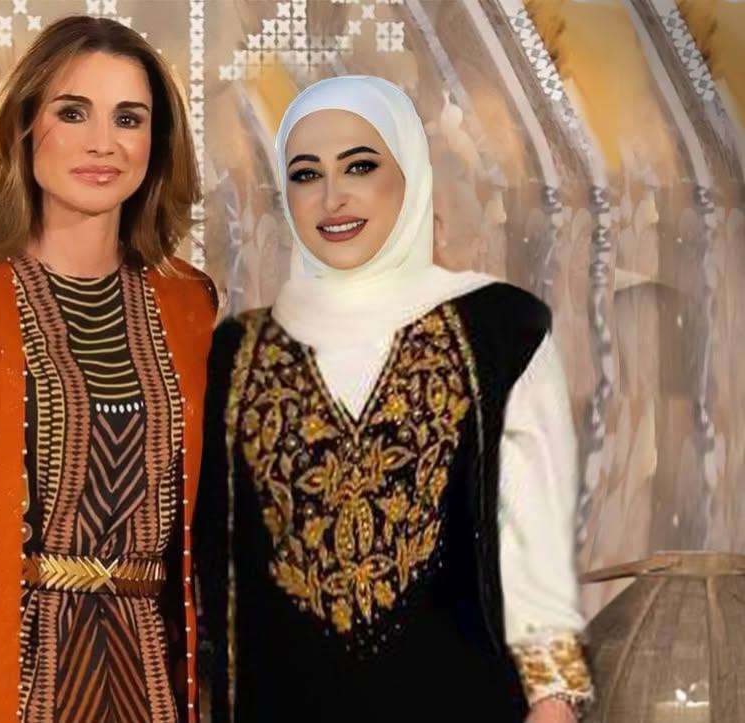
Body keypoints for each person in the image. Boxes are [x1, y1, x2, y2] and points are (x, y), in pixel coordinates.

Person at [194, 75, 593, 722]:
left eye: (360, 166)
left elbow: (533, 544)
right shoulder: (236, 353)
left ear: (409, 174)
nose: (332, 196)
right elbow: (214, 561)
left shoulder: (500, 330)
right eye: (305, 174)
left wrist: (553, 700)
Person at [0, 16, 216, 723]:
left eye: (129, 119)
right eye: (73, 112)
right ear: (24, 125)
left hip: (150, 674)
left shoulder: (190, 303)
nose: (102, 142)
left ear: (158, 142)